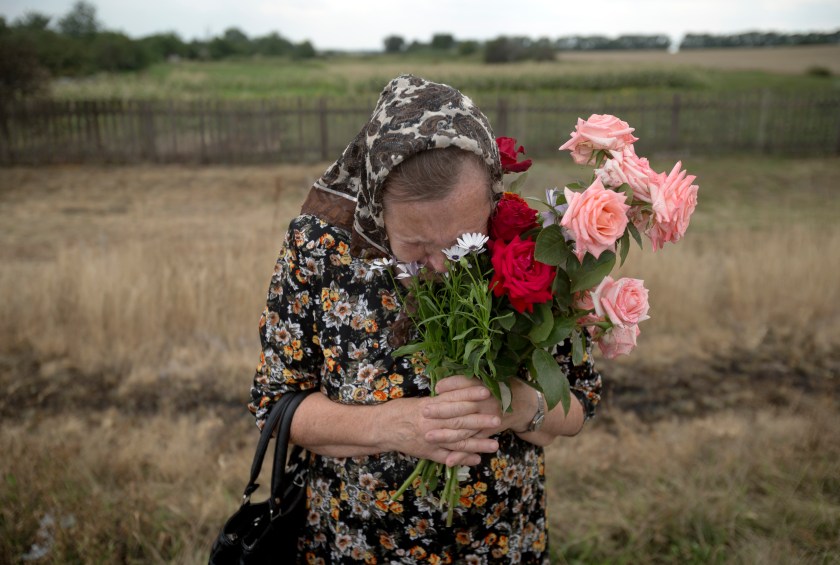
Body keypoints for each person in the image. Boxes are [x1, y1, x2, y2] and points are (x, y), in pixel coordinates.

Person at [248, 75, 602, 564]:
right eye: (415, 246)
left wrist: (523, 408)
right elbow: (274, 404)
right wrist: (393, 427)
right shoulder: (319, 248)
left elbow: (580, 402)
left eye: (461, 241)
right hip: (354, 544)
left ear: (492, 203)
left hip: (498, 542)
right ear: (376, 211)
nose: (439, 264)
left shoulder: (526, 246)